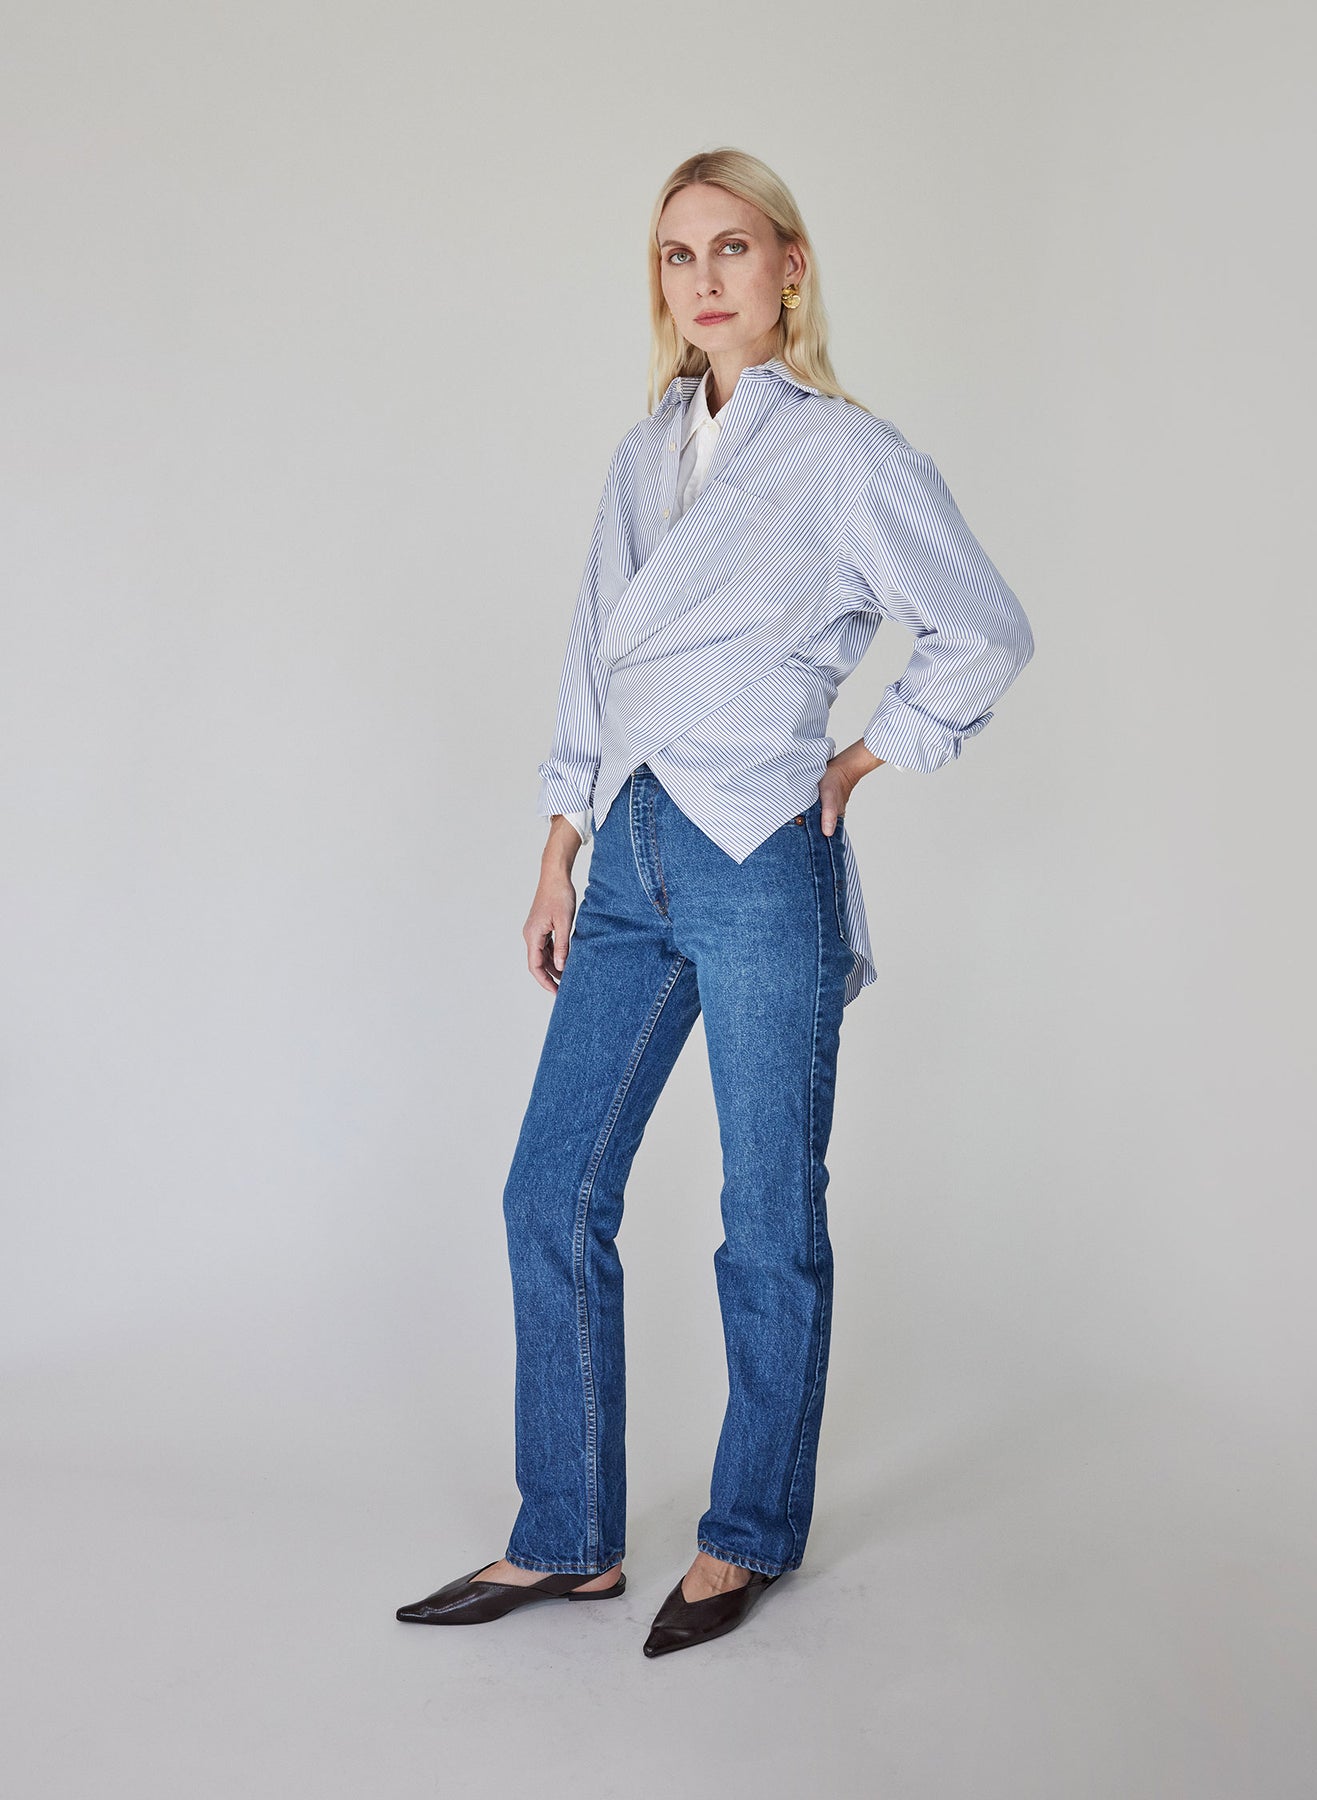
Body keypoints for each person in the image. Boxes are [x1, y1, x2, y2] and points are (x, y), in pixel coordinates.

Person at [397, 147, 1035, 1657]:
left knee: (766, 1215)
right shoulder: (641, 456)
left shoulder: (849, 457)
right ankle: (567, 1535)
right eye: (677, 256)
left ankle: (748, 1533)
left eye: (732, 248)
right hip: (628, 852)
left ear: (790, 267)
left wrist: (867, 757)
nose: (704, 280)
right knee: (551, 1189)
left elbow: (985, 627)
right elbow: (591, 652)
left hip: (757, 851)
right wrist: (559, 845)